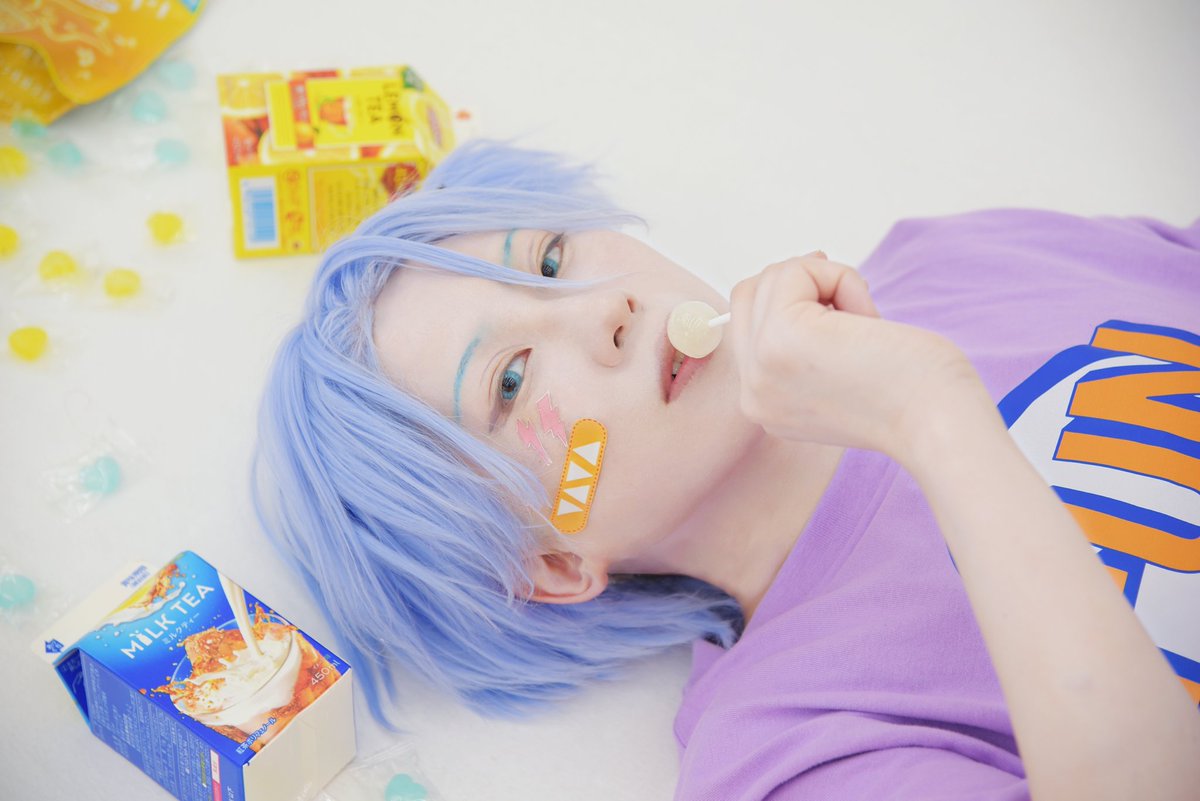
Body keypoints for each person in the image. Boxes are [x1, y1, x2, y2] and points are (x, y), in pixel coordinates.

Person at [253, 139, 1200, 800]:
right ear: (554, 564)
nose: (603, 310)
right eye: (510, 378)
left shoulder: (953, 258)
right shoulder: (783, 751)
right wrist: (928, 412)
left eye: (550, 257)